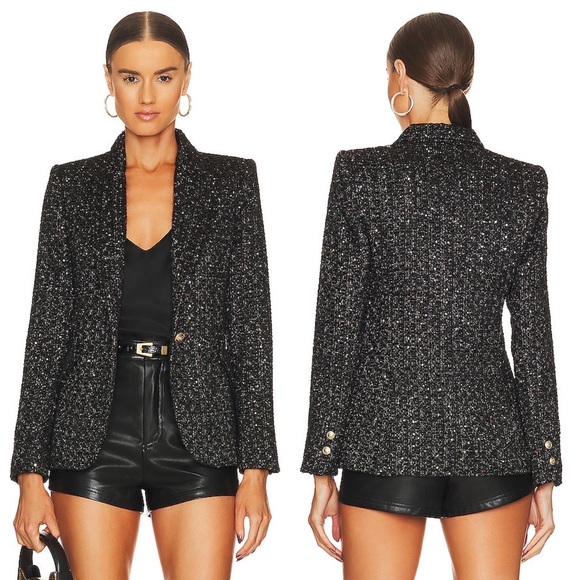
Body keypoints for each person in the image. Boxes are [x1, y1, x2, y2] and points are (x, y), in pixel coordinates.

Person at [11, 11, 278, 580]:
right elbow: (47, 334)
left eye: (164, 76)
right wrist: (29, 474)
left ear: (187, 78)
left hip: (200, 434)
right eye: (131, 77)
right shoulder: (72, 187)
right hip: (91, 433)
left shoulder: (231, 184)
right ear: (109, 79)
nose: (148, 95)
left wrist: (256, 469)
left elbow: (251, 335)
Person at [301, 12, 561, 579]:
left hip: (382, 438)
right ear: (465, 78)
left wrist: (323, 461)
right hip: (493, 440)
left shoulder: (361, 174)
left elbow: (338, 329)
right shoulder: (521, 184)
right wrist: (545, 466)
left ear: (400, 73)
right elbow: (533, 338)